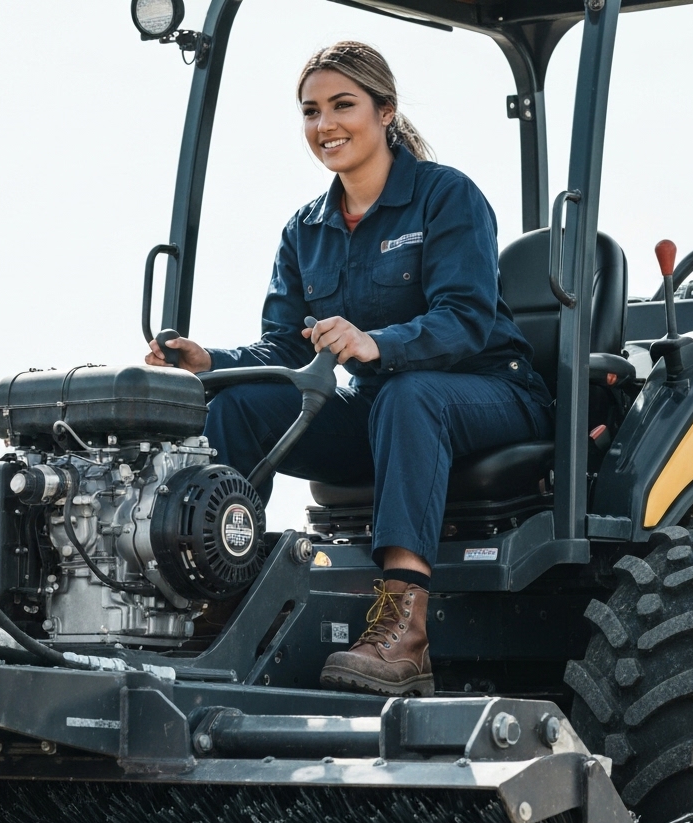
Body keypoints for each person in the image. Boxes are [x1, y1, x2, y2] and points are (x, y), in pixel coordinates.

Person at [146, 41, 553, 698]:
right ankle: (217, 589)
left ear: (385, 111)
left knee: (409, 396)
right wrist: (210, 361)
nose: (324, 125)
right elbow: (282, 352)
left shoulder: (446, 198)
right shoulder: (305, 230)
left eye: (342, 106)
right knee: (240, 404)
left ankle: (403, 625)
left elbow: (468, 318)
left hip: (492, 395)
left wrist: (377, 343)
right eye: (310, 111)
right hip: (383, 410)